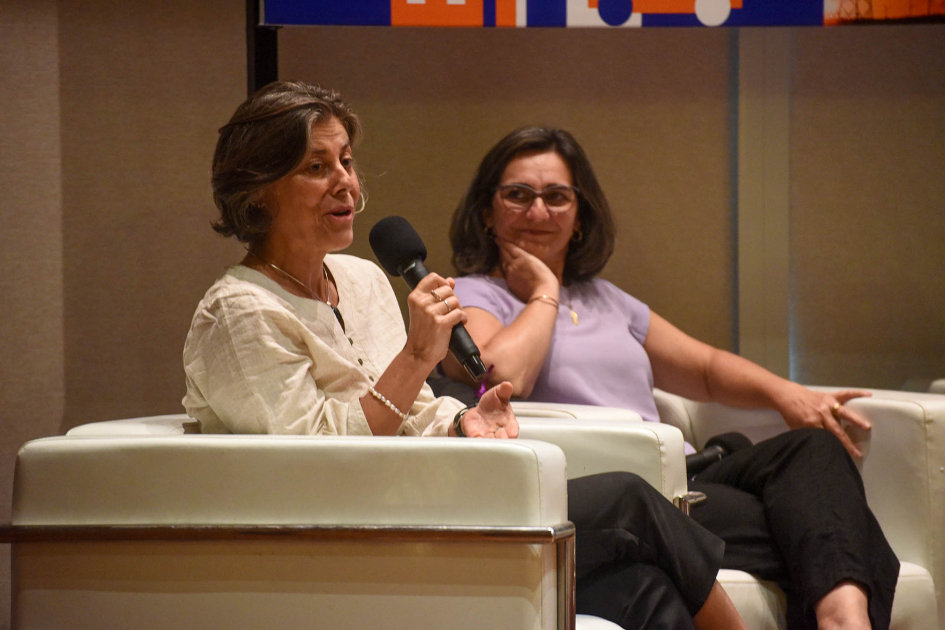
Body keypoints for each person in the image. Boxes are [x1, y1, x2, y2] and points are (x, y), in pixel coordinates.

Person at [182, 81, 747, 630]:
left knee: (645, 590)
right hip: (348, 540)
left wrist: (461, 422)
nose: (346, 183)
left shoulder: (360, 279)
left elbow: (415, 411)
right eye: (316, 167)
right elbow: (311, 466)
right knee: (628, 498)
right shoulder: (239, 312)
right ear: (257, 189)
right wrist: (415, 357)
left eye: (347, 162)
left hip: (425, 503)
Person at [445, 126, 900, 630]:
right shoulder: (472, 294)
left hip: (691, 477)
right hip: (627, 495)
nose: (537, 212)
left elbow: (704, 370)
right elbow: (502, 373)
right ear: (486, 211)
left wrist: (788, 394)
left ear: (579, 217)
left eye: (556, 197)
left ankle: (844, 620)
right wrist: (544, 291)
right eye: (517, 195)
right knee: (828, 527)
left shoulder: (606, 299)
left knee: (813, 451)